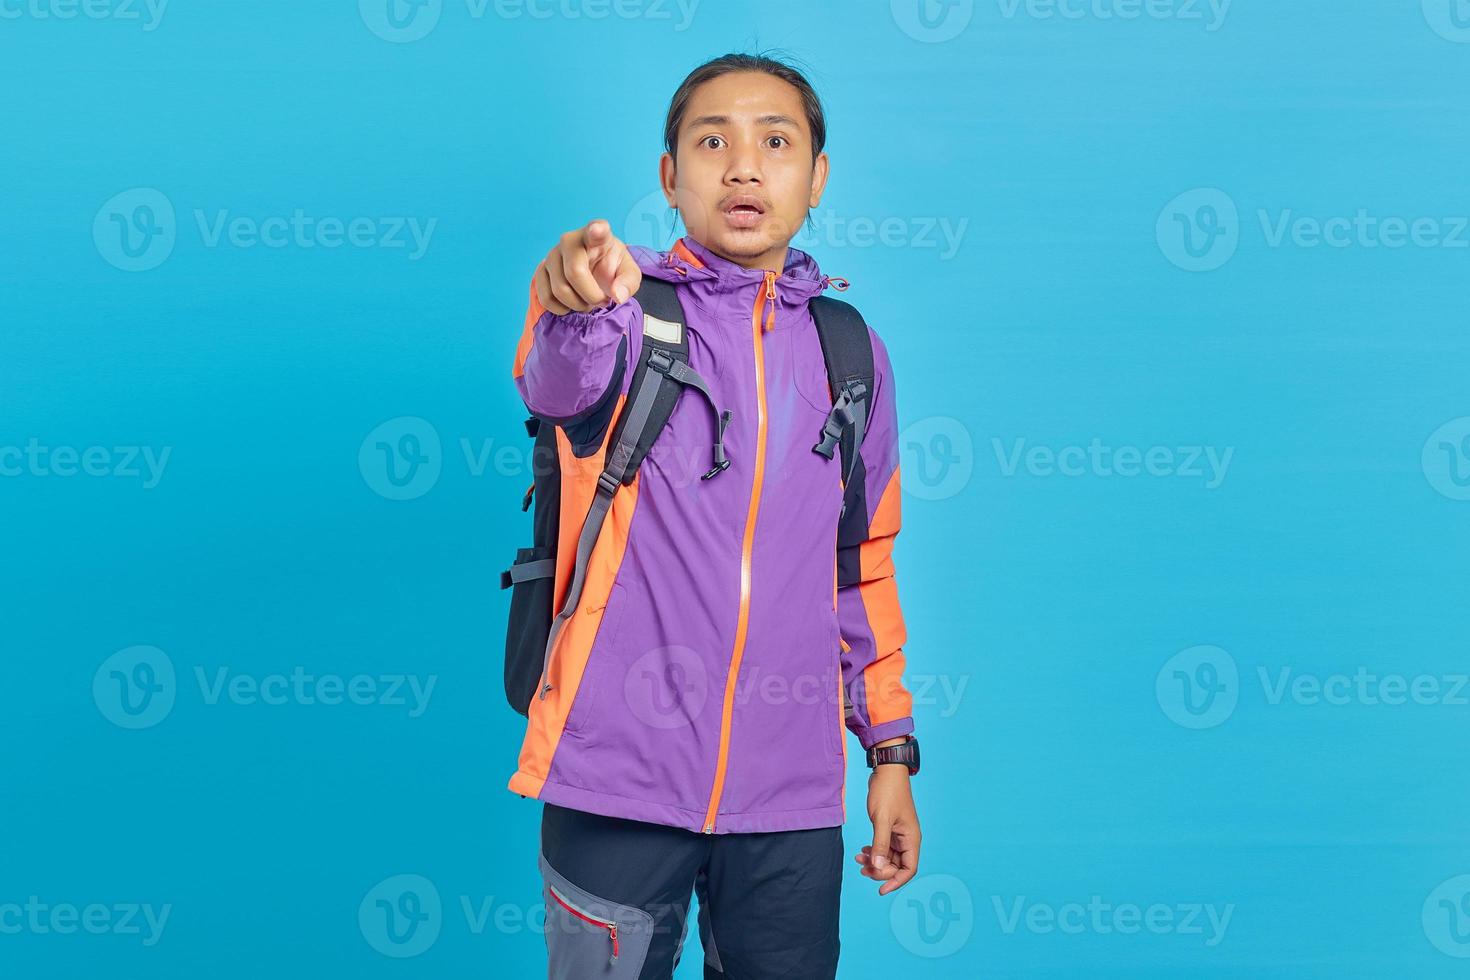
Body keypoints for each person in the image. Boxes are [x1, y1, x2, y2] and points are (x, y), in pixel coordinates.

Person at [508, 52, 922, 979]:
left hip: (791, 804)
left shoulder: (851, 353)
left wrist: (889, 750)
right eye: (712, 141)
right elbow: (556, 379)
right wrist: (570, 299)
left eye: (776, 142)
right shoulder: (622, 317)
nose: (744, 166)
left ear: (816, 178)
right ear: (670, 175)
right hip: (614, 778)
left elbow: (863, 565)